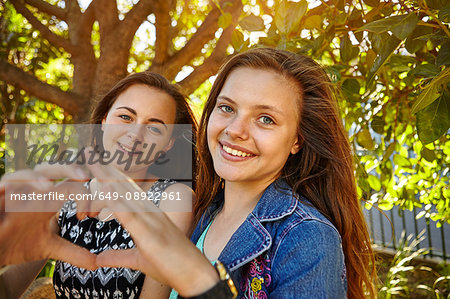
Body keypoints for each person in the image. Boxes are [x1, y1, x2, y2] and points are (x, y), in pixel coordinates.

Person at [92, 47, 377, 299]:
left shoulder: (306, 236)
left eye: (265, 119)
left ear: (297, 140)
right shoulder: (203, 213)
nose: (234, 130)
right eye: (227, 108)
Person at [0, 71, 197, 299]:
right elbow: (7, 290)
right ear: (103, 121)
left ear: (168, 144)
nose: (135, 134)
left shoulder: (173, 198)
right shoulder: (69, 194)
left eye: (154, 128)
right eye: (125, 117)